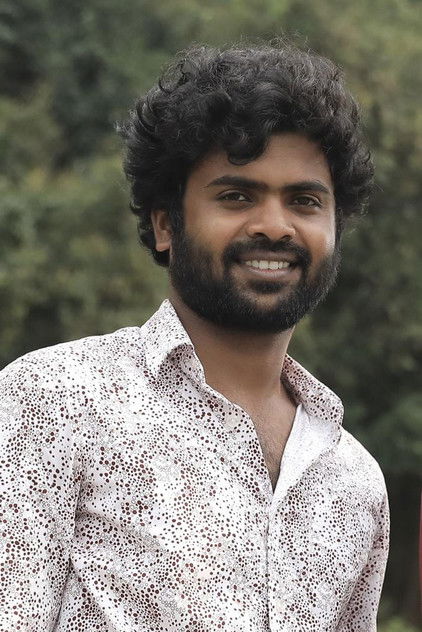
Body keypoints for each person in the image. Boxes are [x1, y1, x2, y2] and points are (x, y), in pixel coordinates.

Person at [0, 41, 389, 631]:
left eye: (305, 201)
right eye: (236, 196)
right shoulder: (55, 402)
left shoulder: (355, 482)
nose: (275, 226)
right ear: (166, 225)